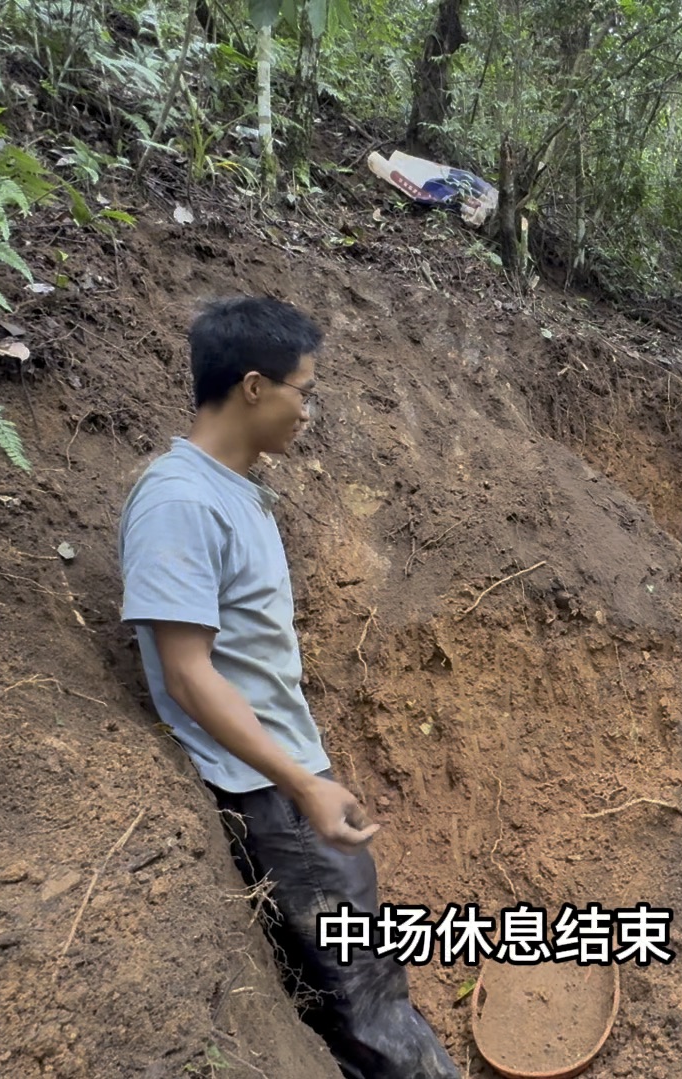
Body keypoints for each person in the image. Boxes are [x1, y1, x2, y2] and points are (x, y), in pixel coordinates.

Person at [117, 297, 460, 1079]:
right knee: (366, 999)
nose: (309, 409)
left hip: (283, 775)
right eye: (303, 390)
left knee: (359, 983)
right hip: (266, 794)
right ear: (251, 387)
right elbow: (187, 671)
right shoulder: (180, 500)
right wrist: (303, 784)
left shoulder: (233, 489)